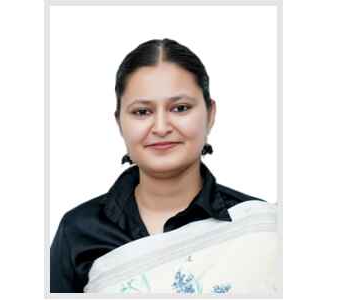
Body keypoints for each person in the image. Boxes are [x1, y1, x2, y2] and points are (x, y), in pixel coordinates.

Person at [50, 38, 279, 295]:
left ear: (210, 114)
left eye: (180, 108)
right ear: (119, 122)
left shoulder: (257, 227)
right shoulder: (80, 230)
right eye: (141, 112)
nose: (161, 127)